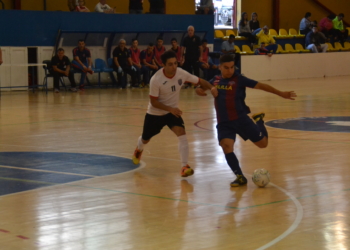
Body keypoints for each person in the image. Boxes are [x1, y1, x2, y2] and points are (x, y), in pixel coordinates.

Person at [195, 54, 297, 187]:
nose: (230, 70)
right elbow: (200, 87)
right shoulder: (215, 80)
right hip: (224, 122)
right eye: (226, 68)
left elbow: (261, 86)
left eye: (232, 67)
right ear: (220, 67)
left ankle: (259, 121)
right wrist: (199, 91)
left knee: (263, 144)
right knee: (226, 146)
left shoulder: (239, 79)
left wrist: (281, 93)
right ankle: (240, 177)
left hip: (241, 119)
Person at [132, 50, 218, 178]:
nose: (174, 67)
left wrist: (211, 88)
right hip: (155, 113)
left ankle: (184, 166)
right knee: (146, 138)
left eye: (175, 63)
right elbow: (154, 102)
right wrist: (169, 109)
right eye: (170, 64)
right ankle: (139, 148)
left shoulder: (181, 73)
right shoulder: (156, 79)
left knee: (181, 134)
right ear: (163, 65)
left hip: (172, 112)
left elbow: (200, 80)